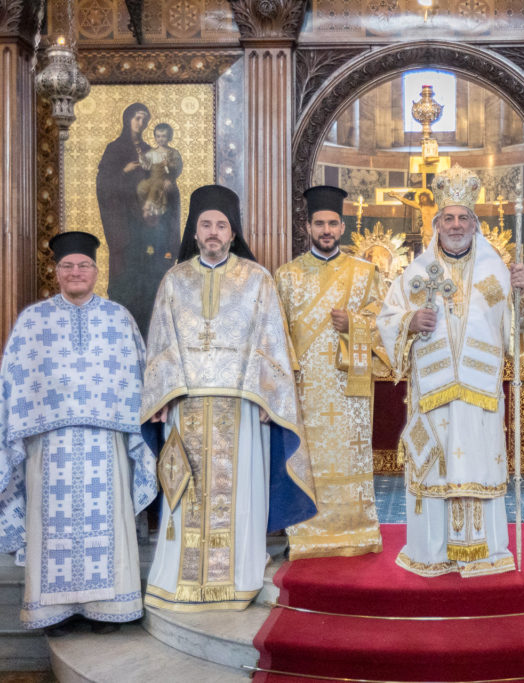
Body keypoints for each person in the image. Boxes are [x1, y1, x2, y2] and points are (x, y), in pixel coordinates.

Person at [141, 184, 317, 612]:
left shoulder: (257, 280)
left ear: (233, 233)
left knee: (237, 495)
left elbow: (271, 343)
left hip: (240, 407)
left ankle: (238, 577)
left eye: (222, 225)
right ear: (195, 232)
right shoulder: (174, 281)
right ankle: (178, 581)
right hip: (186, 406)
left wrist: (267, 398)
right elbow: (162, 343)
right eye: (206, 225)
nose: (214, 232)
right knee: (187, 490)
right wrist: (161, 397)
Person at [0, 231, 157, 635]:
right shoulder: (33, 320)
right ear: (56, 272)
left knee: (106, 521)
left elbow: (139, 377)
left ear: (97, 271)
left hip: (105, 441)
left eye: (83, 266)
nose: (75, 272)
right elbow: (15, 383)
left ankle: (107, 606)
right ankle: (53, 611)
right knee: (50, 524)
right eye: (67, 266)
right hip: (50, 445)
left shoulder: (118, 317)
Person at [377, 166, 524, 577]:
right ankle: (431, 552)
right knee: (434, 469)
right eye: (448, 218)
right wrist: (410, 322)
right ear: (436, 225)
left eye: (463, 218)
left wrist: (522, 294)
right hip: (432, 396)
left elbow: (517, 336)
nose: (456, 225)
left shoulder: (496, 273)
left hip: (479, 395)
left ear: (474, 223)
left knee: (477, 468)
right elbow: (387, 320)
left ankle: (484, 552)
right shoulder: (416, 274)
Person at [276, 185, 389, 558]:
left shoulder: (365, 273)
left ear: (343, 227)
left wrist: (354, 323)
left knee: (350, 458)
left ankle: (356, 531)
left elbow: (384, 323)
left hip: (348, 388)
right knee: (307, 459)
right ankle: (308, 534)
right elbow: (277, 336)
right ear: (307, 226)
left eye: (333, 223)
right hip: (304, 389)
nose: (326, 230)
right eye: (319, 223)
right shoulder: (287, 276)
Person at [96, 103, 181, 336]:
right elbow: (103, 185)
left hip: (149, 229)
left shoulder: (149, 149)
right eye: (136, 118)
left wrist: (168, 186)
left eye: (144, 119)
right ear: (127, 119)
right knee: (125, 287)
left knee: (149, 287)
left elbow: (164, 178)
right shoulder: (114, 149)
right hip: (123, 229)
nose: (140, 123)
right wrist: (124, 171)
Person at [137, 123, 183, 222]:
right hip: (153, 178)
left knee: (155, 188)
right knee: (141, 187)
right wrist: (142, 157)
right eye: (158, 136)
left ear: (169, 137)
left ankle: (149, 207)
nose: (160, 139)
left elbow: (178, 168)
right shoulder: (151, 153)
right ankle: (148, 210)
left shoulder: (173, 153)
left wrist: (169, 165)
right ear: (155, 137)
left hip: (165, 179)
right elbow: (146, 165)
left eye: (163, 136)